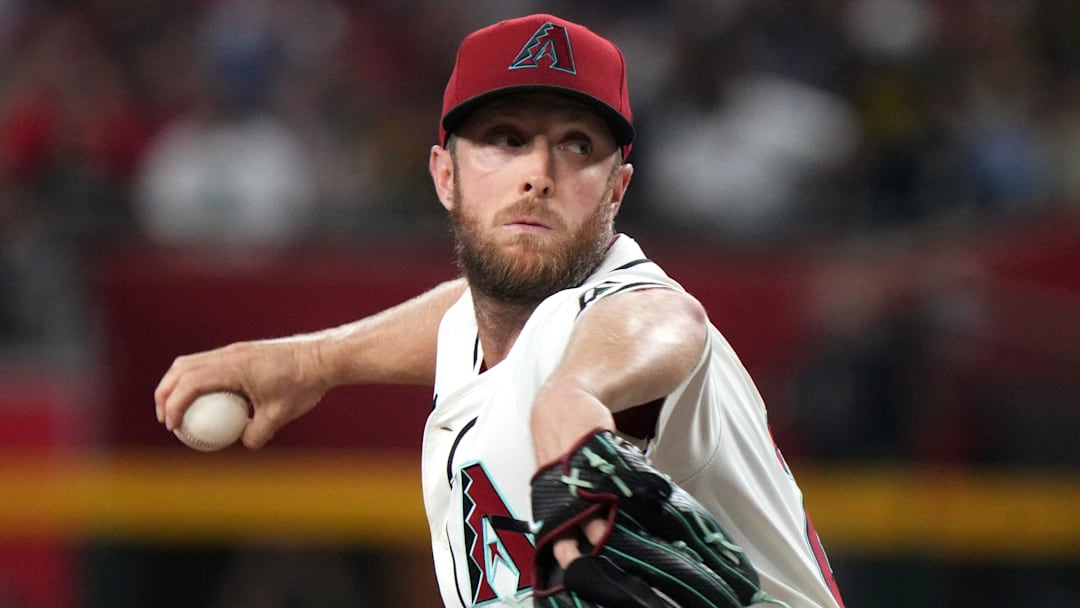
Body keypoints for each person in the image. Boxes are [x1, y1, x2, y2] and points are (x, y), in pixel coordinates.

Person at [155, 13, 845, 608]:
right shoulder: (482, 326)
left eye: (578, 145)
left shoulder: (623, 313)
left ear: (616, 191)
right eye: (506, 138)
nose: (539, 172)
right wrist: (312, 360)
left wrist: (573, 401)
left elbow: (661, 322)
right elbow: (468, 313)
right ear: (445, 176)